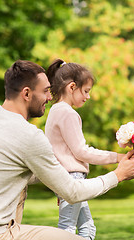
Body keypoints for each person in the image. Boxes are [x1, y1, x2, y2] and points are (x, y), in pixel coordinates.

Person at [0, 60, 134, 240]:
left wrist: (57, 179)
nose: (50, 96)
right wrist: (118, 175)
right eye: (46, 91)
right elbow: (72, 192)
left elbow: (2, 170)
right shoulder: (29, 135)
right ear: (27, 94)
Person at [44, 58, 125, 239]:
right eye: (86, 91)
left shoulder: (55, 111)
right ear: (71, 87)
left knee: (87, 228)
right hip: (71, 178)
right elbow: (82, 151)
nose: (88, 96)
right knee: (68, 229)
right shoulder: (67, 113)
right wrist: (117, 157)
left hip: (63, 177)